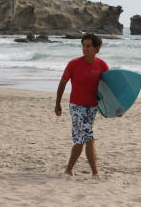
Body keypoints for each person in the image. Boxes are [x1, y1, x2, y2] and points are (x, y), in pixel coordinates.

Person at [55, 33, 109, 179]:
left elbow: (108, 88)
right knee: (89, 138)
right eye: (83, 46)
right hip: (76, 106)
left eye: (88, 46)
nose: (85, 49)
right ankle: (95, 173)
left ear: (97, 48)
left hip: (92, 107)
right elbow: (62, 83)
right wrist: (58, 103)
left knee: (80, 140)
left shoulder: (102, 65)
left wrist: (116, 107)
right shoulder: (74, 64)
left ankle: (68, 170)